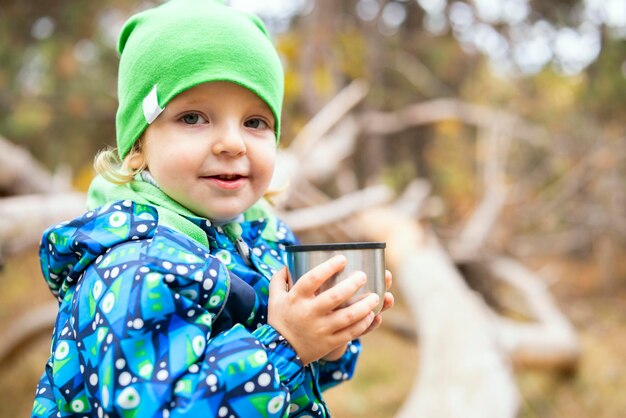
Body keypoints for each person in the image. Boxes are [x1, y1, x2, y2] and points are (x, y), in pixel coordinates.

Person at [32, 0, 394, 417]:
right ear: (138, 145)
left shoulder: (261, 236)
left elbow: (291, 388)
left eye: (255, 122)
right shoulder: (132, 267)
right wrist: (286, 344)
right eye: (193, 118)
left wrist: (326, 342)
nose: (232, 143)